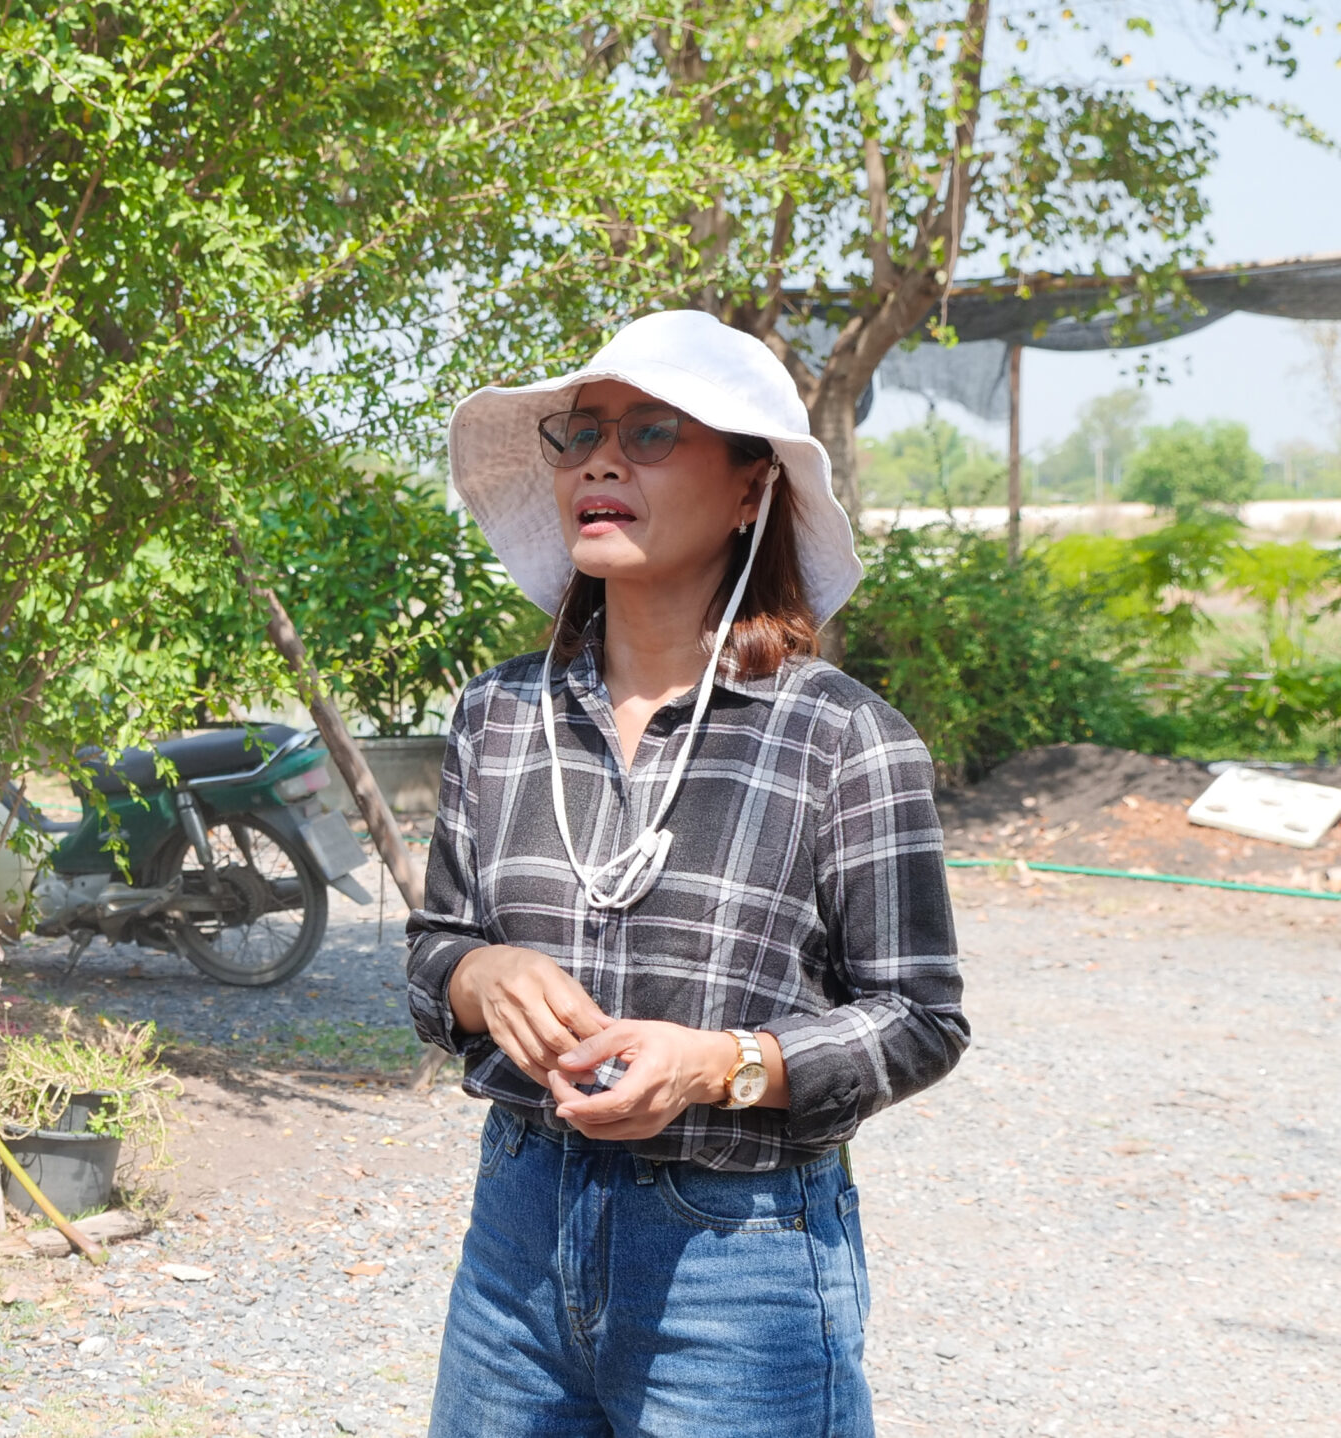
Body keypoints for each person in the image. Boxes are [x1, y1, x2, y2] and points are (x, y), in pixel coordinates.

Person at [408, 310, 968, 1436]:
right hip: (516, 1234)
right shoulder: (498, 714)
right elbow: (434, 951)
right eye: (581, 433)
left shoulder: (840, 738)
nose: (601, 461)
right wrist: (480, 977)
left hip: (738, 1259)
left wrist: (720, 1065)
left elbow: (920, 1018)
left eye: (653, 431)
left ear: (752, 488)